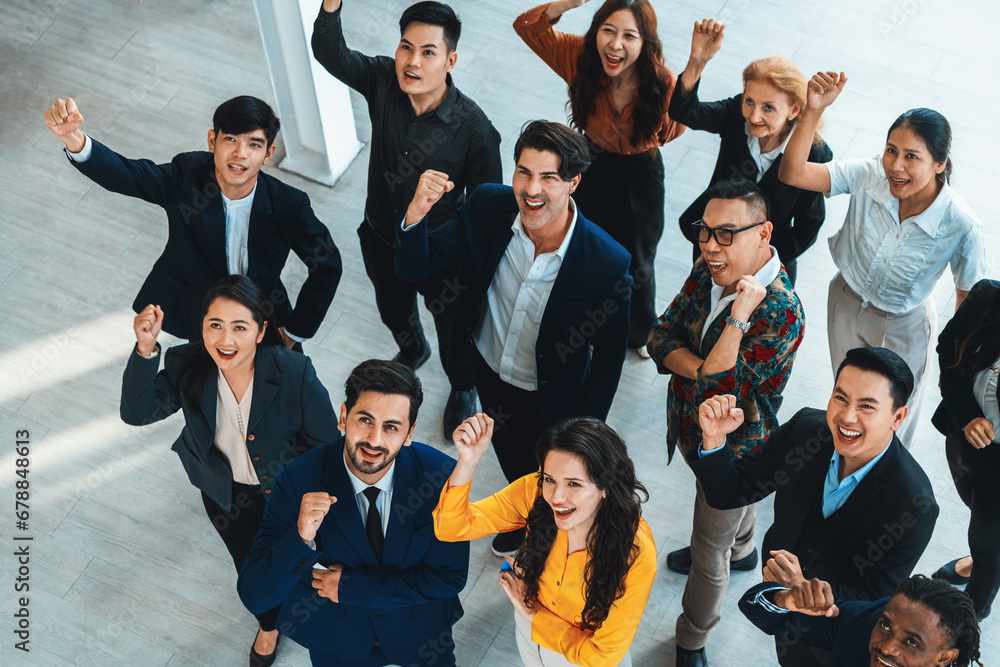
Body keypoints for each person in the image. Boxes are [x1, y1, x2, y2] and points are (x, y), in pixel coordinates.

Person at [396, 120, 631, 556]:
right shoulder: (487, 206)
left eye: (548, 177)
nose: (531, 188)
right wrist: (417, 213)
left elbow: (609, 356)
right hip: (488, 369)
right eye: (524, 172)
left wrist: (589, 429)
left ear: (573, 182)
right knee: (513, 460)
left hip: (554, 395)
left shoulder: (606, 260)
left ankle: (545, 529)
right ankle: (525, 517)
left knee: (554, 474)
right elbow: (415, 267)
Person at [120, 275, 339, 667]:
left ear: (261, 331)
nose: (226, 340)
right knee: (252, 568)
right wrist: (145, 348)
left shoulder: (294, 372)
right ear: (201, 326)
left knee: (298, 560)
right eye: (215, 325)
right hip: (226, 494)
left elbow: (326, 444)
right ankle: (269, 627)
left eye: (240, 327)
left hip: (288, 493)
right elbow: (136, 412)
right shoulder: (185, 364)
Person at [312, 0, 502, 435]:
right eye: (406, 47)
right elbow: (330, 52)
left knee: (455, 331)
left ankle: (462, 385)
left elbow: (487, 208)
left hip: (441, 256)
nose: (413, 62)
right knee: (392, 309)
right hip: (381, 237)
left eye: (428, 52)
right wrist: (330, 6)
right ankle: (412, 348)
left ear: (450, 60)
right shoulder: (382, 80)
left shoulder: (475, 130)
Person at [689, 346, 940, 666]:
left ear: (898, 417)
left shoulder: (915, 503)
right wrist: (714, 440)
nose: (847, 417)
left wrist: (804, 592)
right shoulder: (805, 430)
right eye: (841, 398)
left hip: (833, 639)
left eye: (866, 406)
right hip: (777, 599)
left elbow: (876, 600)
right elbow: (730, 494)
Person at [778, 72, 985, 448]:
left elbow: (967, 299)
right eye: (891, 150)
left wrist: (956, 364)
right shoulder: (869, 174)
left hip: (903, 325)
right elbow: (792, 172)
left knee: (890, 420)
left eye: (911, 157)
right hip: (845, 300)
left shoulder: (962, 224)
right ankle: (842, 468)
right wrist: (812, 111)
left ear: (939, 164)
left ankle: (879, 491)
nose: (895, 166)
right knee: (849, 401)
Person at [646, 178, 804, 667]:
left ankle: (693, 638)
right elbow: (659, 336)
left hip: (737, 450)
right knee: (728, 527)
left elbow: (720, 396)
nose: (711, 247)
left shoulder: (781, 312)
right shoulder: (708, 266)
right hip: (695, 427)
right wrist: (697, 369)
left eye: (727, 234)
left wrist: (737, 317)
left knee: (706, 554)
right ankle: (744, 546)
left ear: (765, 233)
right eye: (705, 231)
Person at [44, 95, 343, 346]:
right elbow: (128, 176)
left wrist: (295, 331)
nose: (240, 154)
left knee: (281, 395)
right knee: (202, 393)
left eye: (254, 145)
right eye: (230, 140)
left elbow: (327, 264)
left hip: (261, 315)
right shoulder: (186, 176)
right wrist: (74, 139)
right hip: (199, 313)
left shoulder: (289, 203)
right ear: (212, 140)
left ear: (268, 154)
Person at [237, 359, 470, 667]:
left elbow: (450, 577)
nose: (374, 440)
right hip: (336, 640)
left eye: (391, 427)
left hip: (420, 632)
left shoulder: (441, 476)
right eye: (365, 420)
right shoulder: (297, 480)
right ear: (344, 416)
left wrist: (352, 587)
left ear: (410, 432)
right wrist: (300, 537)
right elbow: (255, 594)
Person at [514, 0, 685, 355]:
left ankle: (638, 331)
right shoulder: (580, 55)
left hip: (640, 172)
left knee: (638, 258)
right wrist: (566, 3)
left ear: (646, 43)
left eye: (629, 36)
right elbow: (527, 28)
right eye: (608, 31)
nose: (615, 45)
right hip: (589, 161)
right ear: (595, 32)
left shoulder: (663, 81)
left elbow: (673, 129)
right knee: (582, 244)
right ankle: (583, 320)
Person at [434, 413, 656, 667]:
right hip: (529, 635)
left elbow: (602, 656)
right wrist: (467, 462)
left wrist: (533, 613)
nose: (556, 497)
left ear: (606, 486)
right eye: (550, 479)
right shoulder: (535, 492)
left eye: (574, 484)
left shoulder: (636, 553)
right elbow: (451, 528)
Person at [669, 19, 832, 286]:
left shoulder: (813, 154)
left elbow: (808, 225)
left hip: (767, 266)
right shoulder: (735, 114)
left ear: (793, 110)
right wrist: (697, 60)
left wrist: (764, 259)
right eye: (749, 101)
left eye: (769, 108)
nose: (753, 116)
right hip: (713, 248)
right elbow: (685, 112)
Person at [931, 278, 1000, 622]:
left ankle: (968, 621)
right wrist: (969, 414)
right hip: (963, 436)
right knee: (976, 507)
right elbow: (946, 348)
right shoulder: (987, 296)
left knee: (989, 548)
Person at [739, 575, 983, 667]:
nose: (886, 647)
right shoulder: (861, 623)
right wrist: (786, 599)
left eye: (911, 642)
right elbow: (759, 609)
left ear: (944, 657)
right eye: (886, 626)